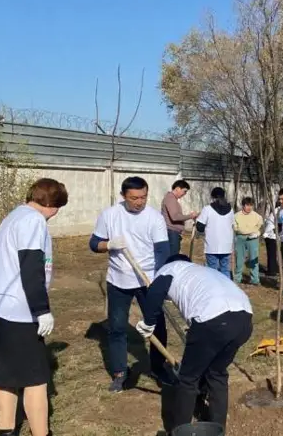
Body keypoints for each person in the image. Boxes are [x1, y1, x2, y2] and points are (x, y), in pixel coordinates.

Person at [0, 178, 68, 436]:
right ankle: (42, 433)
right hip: (15, 311)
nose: (56, 214)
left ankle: (6, 431)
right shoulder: (33, 221)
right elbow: (31, 268)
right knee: (36, 378)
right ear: (50, 203)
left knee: (5, 376)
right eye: (57, 207)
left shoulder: (15, 216)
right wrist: (42, 310)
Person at [136, 254, 253, 433]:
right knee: (217, 374)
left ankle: (179, 430)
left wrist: (148, 323)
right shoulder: (201, 272)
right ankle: (218, 429)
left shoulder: (170, 269)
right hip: (244, 318)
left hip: (213, 318)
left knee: (188, 379)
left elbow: (155, 292)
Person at [90, 176, 171, 392]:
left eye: (144, 197)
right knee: (117, 328)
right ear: (123, 196)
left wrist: (157, 279)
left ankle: (158, 367)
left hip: (147, 281)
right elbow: (93, 244)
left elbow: (162, 250)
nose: (139, 202)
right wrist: (108, 244)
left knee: (158, 326)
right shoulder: (110, 215)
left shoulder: (154, 218)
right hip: (118, 280)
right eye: (134, 198)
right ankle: (120, 373)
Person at [196, 187, 234, 277]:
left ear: (213, 197)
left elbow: (200, 227)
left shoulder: (207, 209)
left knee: (212, 270)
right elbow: (232, 224)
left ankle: (214, 289)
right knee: (225, 269)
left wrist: (197, 221)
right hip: (226, 245)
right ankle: (226, 288)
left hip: (212, 245)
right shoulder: (230, 210)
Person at [161, 180, 198, 256]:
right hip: (171, 233)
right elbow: (175, 217)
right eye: (184, 191)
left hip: (173, 233)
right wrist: (190, 216)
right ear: (177, 188)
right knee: (172, 258)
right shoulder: (170, 199)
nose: (185, 194)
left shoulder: (172, 199)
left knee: (173, 256)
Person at [233, 197, 263, 286]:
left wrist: (257, 233)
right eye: (247, 205)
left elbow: (260, 226)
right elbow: (234, 226)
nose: (249, 207)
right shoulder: (236, 215)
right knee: (239, 258)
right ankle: (237, 278)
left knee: (253, 259)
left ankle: (255, 280)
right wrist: (238, 230)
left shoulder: (257, 216)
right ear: (243, 205)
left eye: (251, 205)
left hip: (252, 238)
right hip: (240, 238)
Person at [263, 202, 280, 277]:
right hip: (271, 235)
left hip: (272, 236)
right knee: (273, 254)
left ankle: (272, 271)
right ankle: (275, 268)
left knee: (271, 254)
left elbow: (279, 225)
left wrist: (270, 232)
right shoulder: (277, 211)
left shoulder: (278, 211)